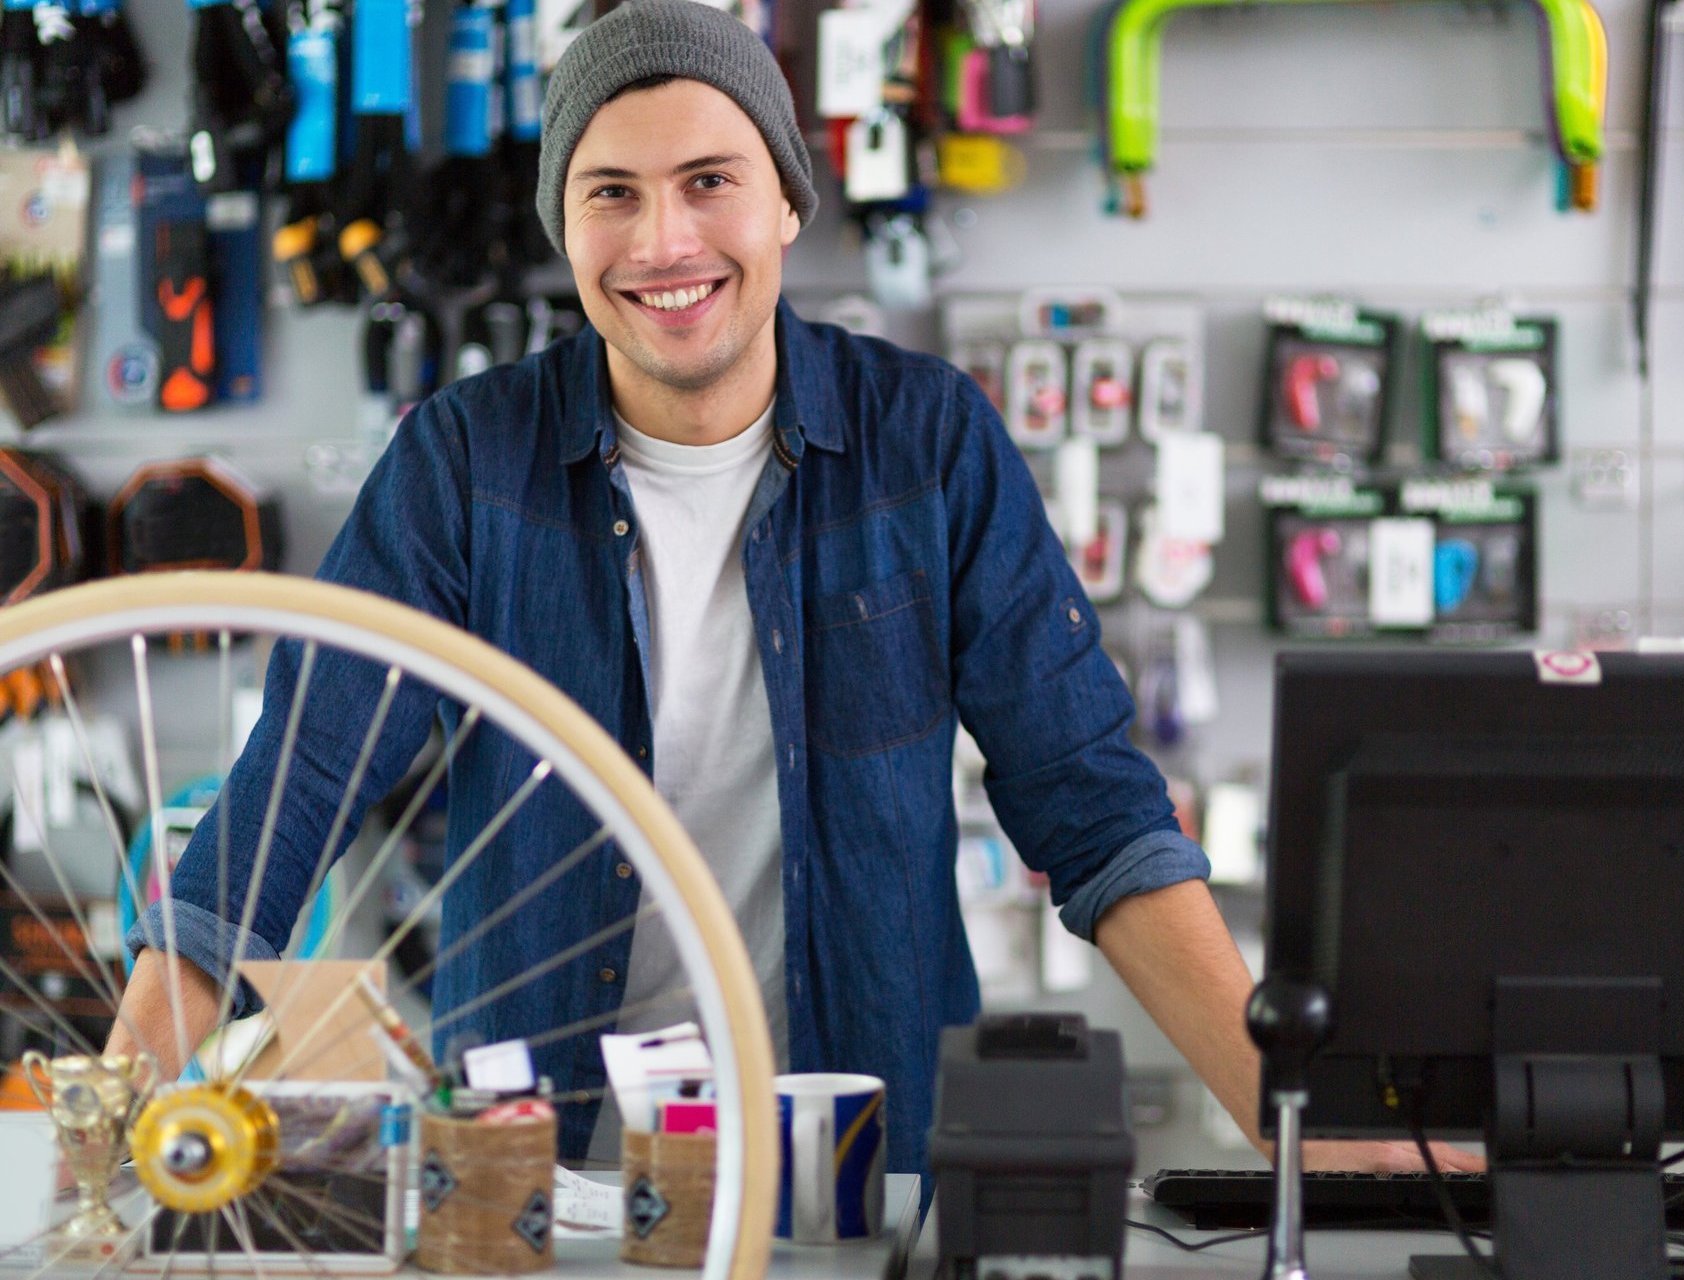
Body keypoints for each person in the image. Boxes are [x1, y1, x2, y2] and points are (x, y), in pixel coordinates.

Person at [107, 0, 1476, 1175]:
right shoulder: (466, 461)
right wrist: (120, 1096)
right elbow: (303, 778)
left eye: (710, 181)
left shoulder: (927, 439)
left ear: (784, 201)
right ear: (564, 223)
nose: (664, 243)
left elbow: (1095, 807)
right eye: (613, 192)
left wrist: (1288, 1124)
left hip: (855, 1143)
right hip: (542, 1163)